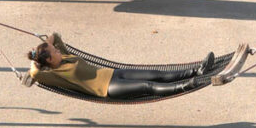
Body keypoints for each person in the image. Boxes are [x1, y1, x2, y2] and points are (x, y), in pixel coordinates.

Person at [27, 33, 215, 99]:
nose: (57, 51)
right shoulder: (56, 73)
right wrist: (37, 57)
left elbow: (55, 36)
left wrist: (45, 44)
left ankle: (197, 70)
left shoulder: (65, 56)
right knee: (148, 86)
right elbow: (34, 72)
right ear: (49, 60)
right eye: (54, 52)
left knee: (155, 73)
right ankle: (186, 85)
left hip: (112, 73)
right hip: (108, 88)